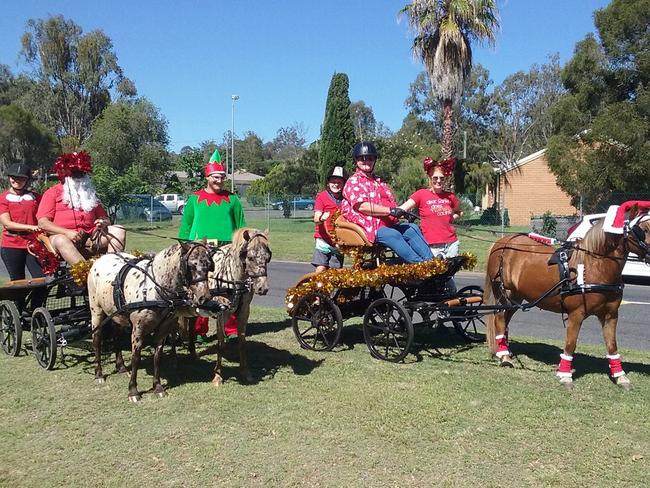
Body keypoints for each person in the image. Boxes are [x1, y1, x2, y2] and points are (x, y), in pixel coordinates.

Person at [178, 149, 246, 341]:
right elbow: (186, 226)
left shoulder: (232, 199)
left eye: (222, 177)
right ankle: (199, 329)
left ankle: (230, 328)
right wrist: (184, 245)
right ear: (207, 177)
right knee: (202, 286)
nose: (219, 180)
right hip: (201, 249)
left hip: (227, 249)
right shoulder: (194, 199)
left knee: (229, 288)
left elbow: (241, 226)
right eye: (215, 177)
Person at [342, 141, 432, 263]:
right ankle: (419, 265)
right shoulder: (353, 182)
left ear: (374, 160)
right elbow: (362, 206)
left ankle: (432, 262)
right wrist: (390, 211)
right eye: (362, 159)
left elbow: (389, 202)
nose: (366, 161)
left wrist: (400, 212)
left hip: (390, 224)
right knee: (392, 235)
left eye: (370, 158)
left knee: (412, 228)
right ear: (356, 161)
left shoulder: (378, 181)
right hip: (371, 228)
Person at [36, 151, 126, 266]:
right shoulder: (51, 193)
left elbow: (105, 219)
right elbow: (43, 223)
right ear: (65, 173)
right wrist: (67, 232)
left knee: (119, 229)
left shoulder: (90, 194)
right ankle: (84, 274)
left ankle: (111, 270)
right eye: (74, 173)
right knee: (61, 240)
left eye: (81, 173)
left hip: (91, 238)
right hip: (61, 238)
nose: (78, 177)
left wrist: (102, 222)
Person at [400, 157, 463, 258]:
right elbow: (403, 208)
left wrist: (451, 217)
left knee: (450, 273)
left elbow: (459, 212)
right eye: (435, 178)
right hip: (432, 245)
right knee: (436, 273)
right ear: (429, 178)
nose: (439, 181)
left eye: (442, 178)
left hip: (452, 244)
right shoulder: (421, 194)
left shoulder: (450, 196)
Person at [0, 163, 44, 281]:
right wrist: (31, 227)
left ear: (27, 180)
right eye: (14, 177)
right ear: (9, 178)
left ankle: (36, 301)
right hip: (11, 244)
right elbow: (7, 223)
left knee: (41, 279)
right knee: (18, 282)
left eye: (21, 178)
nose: (17, 180)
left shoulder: (36, 197)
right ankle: (19, 300)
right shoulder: (3, 198)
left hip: (34, 244)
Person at [312, 166, 346, 273]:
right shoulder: (322, 196)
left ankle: (333, 290)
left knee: (335, 272)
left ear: (344, 184)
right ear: (328, 183)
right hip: (323, 239)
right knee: (321, 268)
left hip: (338, 242)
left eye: (339, 182)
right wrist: (322, 218)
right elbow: (316, 218)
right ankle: (316, 288)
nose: (335, 184)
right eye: (333, 181)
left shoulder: (346, 200)